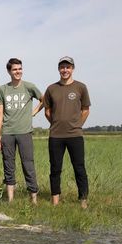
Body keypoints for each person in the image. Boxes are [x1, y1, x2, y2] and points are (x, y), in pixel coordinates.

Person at [42, 56, 91, 208]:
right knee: (55, 168)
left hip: (75, 135)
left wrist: (77, 125)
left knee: (79, 168)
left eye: (68, 67)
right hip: (55, 135)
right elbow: (47, 111)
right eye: (62, 67)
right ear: (59, 69)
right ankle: (55, 201)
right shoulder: (51, 88)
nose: (65, 70)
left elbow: (85, 110)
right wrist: (56, 123)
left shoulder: (80, 87)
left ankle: (83, 201)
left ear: (72, 69)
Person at [0, 57, 43, 203]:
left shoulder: (29, 87)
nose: (18, 72)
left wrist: (34, 112)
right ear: (9, 71)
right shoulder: (3, 89)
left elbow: (44, 99)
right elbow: (0, 114)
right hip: (8, 133)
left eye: (20, 69)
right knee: (8, 165)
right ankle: (10, 199)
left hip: (24, 132)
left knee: (28, 164)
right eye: (15, 69)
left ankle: (33, 198)